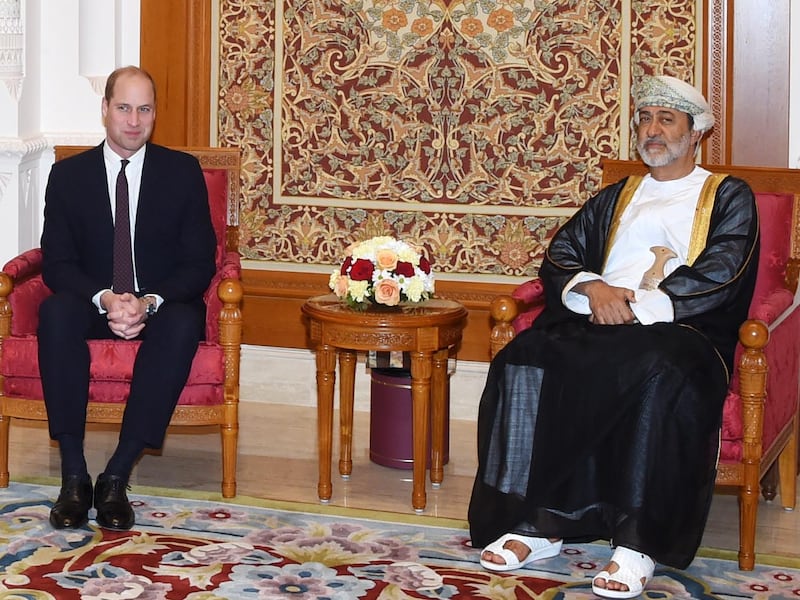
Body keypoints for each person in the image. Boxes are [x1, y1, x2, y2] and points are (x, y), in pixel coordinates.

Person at [468, 75, 759, 598]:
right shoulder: (618, 194)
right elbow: (561, 253)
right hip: (596, 320)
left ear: (695, 133)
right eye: (645, 119)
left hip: (680, 330)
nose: (652, 130)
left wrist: (638, 307)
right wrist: (595, 289)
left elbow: (724, 269)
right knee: (522, 355)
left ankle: (636, 543)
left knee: (657, 371)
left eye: (666, 120)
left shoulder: (727, 194)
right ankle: (538, 523)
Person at [39, 66, 217, 531]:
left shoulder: (182, 172)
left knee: (183, 322)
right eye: (123, 107)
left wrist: (148, 302)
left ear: (154, 114)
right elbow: (57, 263)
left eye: (144, 109)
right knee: (54, 312)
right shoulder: (67, 176)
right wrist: (105, 298)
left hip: (158, 304)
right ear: (105, 110)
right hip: (93, 302)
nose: (134, 120)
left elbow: (199, 264)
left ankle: (116, 473)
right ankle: (74, 475)